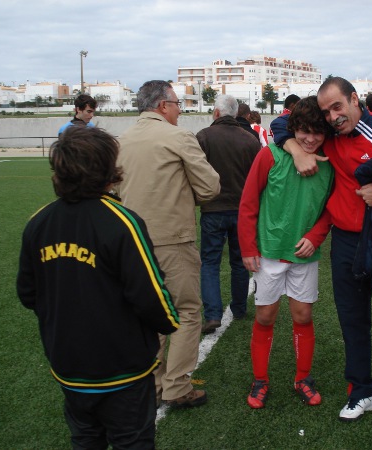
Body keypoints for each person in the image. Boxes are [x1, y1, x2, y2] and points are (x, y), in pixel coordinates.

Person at [273, 77, 372, 434]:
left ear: (354, 99)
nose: (333, 117)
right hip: (346, 242)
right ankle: (361, 392)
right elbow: (280, 125)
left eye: (338, 107)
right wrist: (297, 150)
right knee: (352, 320)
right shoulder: (330, 135)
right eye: (326, 111)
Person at [17, 126, 180, 448]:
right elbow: (149, 296)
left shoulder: (39, 223)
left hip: (68, 363)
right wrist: (170, 322)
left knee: (85, 438)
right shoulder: (122, 222)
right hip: (123, 367)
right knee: (132, 440)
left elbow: (27, 293)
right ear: (108, 168)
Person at [116, 80, 220, 409]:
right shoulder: (178, 137)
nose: (179, 111)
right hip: (173, 238)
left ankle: (155, 383)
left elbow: (114, 190)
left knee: (150, 314)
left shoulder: (121, 140)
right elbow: (210, 186)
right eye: (177, 104)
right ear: (163, 105)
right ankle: (176, 386)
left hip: (134, 242)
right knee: (187, 312)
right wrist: (182, 197)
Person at [238, 96, 334, 409]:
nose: (311, 139)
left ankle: (302, 378)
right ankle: (260, 379)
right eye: (304, 131)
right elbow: (248, 202)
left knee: (303, 315)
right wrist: (248, 247)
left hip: (304, 255)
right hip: (269, 252)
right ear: (293, 130)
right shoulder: (270, 155)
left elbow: (331, 209)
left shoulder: (330, 163)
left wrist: (316, 236)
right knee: (265, 316)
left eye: (317, 132)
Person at [195, 95, 261, 333]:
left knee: (210, 262)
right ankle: (239, 308)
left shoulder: (203, 136)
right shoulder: (250, 139)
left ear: (216, 113)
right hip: (242, 210)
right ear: (236, 114)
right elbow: (258, 176)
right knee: (239, 262)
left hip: (213, 208)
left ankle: (213, 314)